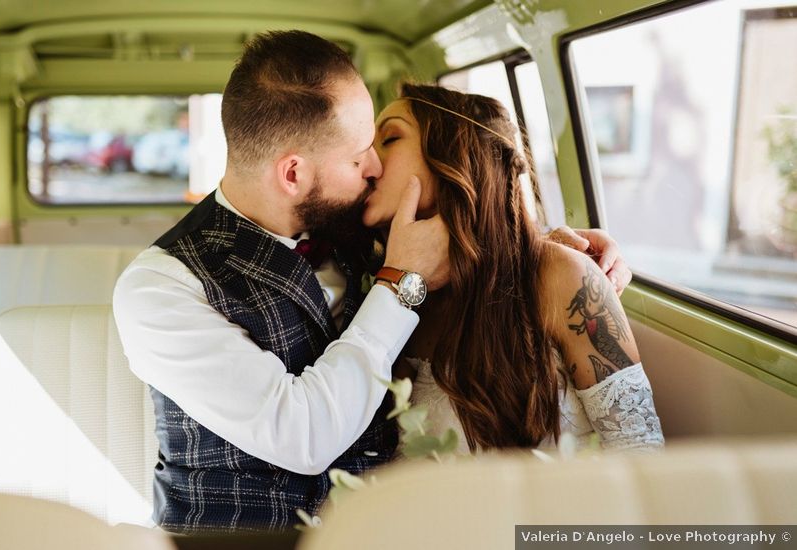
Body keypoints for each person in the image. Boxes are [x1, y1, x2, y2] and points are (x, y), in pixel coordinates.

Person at [113, 31, 630, 534]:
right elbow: (304, 437)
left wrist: (549, 249)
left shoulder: (355, 222)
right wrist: (399, 282)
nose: (375, 167)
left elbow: (467, 217)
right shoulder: (159, 290)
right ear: (293, 175)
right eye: (360, 153)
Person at [363, 83, 664, 454]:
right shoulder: (379, 286)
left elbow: (639, 449)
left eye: (389, 138)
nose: (368, 161)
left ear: (454, 158)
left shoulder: (561, 277)